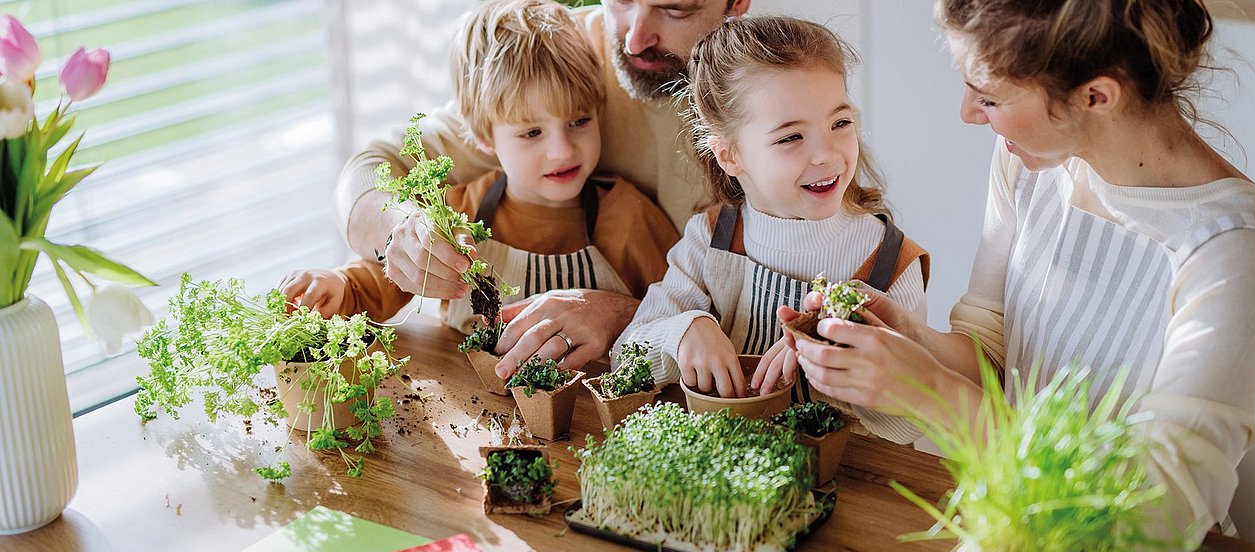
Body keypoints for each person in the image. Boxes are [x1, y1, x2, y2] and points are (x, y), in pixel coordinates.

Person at [787, 0, 1255, 552]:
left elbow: (1162, 509)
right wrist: (907, 335)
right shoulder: (1029, 164)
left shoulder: (1235, 244)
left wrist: (929, 391)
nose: (968, 113)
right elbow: (994, 358)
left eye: (990, 96)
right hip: (1011, 525)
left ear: (1096, 96)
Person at [333, 0, 751, 376]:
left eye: (675, 9)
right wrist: (401, 233)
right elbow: (374, 167)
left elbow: (729, 324)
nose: (634, 39)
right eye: (622, 1)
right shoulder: (570, 49)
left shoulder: (769, 103)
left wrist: (621, 314)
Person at [279, 0, 679, 340]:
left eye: (579, 122)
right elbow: (372, 285)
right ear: (484, 136)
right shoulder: (457, 212)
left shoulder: (630, 218)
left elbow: (679, 316)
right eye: (531, 132)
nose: (561, 151)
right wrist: (335, 287)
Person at [616, 16, 930, 444]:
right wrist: (683, 330)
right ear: (730, 155)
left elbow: (913, 423)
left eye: (840, 123)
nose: (826, 155)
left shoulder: (891, 262)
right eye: (790, 138)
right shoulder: (711, 240)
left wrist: (843, 362)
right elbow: (624, 357)